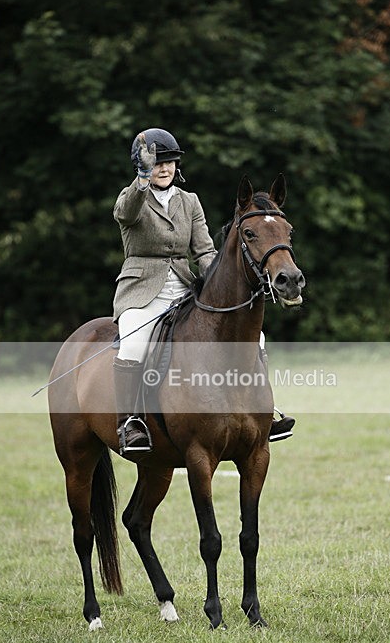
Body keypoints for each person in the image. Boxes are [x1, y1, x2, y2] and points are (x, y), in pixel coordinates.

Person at [112, 127, 294, 455]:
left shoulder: (189, 201)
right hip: (142, 290)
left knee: (259, 338)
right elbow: (125, 213)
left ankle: (265, 411)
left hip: (184, 287)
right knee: (134, 343)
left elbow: (205, 251)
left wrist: (226, 286)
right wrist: (140, 179)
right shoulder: (132, 198)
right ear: (143, 166)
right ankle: (129, 421)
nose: (164, 168)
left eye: (169, 162)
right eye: (156, 163)